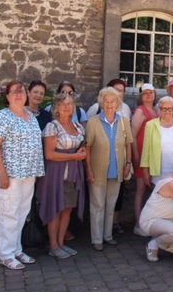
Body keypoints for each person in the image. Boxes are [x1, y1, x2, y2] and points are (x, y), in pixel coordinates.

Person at [0, 80, 45, 270]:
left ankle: (17, 249)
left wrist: (36, 170)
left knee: (22, 213)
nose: (19, 94)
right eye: (14, 92)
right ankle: (6, 254)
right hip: (10, 175)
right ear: (7, 96)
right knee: (9, 214)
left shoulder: (30, 116)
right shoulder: (3, 116)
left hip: (28, 174)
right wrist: (2, 174)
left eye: (22, 91)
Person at [36, 93, 86, 259]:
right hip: (56, 173)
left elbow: (80, 146)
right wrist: (73, 156)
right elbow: (50, 154)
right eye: (63, 104)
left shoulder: (77, 126)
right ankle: (54, 246)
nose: (67, 107)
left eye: (70, 104)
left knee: (67, 209)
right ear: (56, 108)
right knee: (55, 209)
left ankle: (62, 243)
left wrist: (81, 152)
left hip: (73, 173)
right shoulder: (52, 127)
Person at [85, 87, 133, 251]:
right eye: (106, 101)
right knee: (97, 205)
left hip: (117, 169)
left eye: (113, 101)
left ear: (118, 103)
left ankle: (108, 236)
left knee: (111, 205)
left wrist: (128, 164)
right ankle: (96, 239)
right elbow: (88, 148)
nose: (109, 104)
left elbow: (128, 145)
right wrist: (89, 170)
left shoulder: (124, 121)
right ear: (101, 102)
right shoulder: (93, 122)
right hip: (98, 170)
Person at [140, 96, 173, 186]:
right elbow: (146, 150)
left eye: (170, 108)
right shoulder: (151, 125)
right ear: (159, 109)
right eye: (164, 108)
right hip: (159, 171)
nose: (167, 111)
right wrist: (145, 171)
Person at [131, 83, 159, 236]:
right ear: (141, 96)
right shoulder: (140, 111)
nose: (148, 95)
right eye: (145, 93)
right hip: (142, 156)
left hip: (153, 156)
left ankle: (149, 221)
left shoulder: (156, 110)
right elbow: (133, 135)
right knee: (141, 190)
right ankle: (138, 224)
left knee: (151, 189)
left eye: (151, 92)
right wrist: (136, 156)